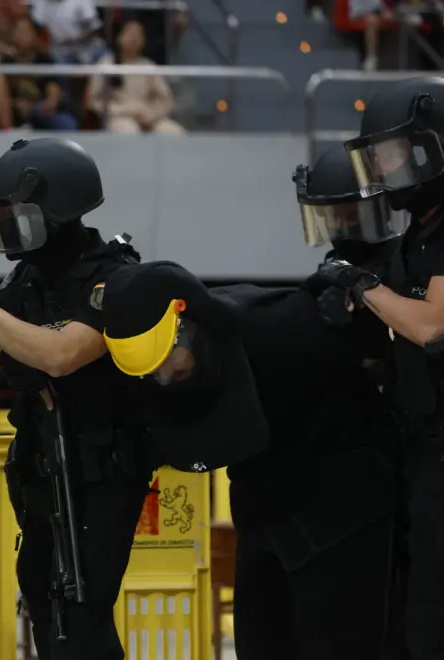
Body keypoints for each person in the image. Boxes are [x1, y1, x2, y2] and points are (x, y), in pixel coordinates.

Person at [99, 145, 406, 660]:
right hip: (265, 522)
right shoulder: (162, 373)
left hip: (347, 516)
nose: (164, 376)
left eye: (169, 360)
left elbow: (388, 354)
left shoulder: (288, 324)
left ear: (190, 325)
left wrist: (366, 304)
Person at [0, 137, 152, 660]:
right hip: (42, 464)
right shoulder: (28, 276)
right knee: (42, 597)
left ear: (57, 210)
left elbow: (61, 354)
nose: (7, 227)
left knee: (82, 616)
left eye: (17, 214)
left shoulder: (114, 276)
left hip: (98, 470)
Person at [310, 75, 444, 660]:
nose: (385, 171)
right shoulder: (418, 231)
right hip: (419, 438)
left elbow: (432, 325)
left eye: (392, 154)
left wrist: (361, 286)